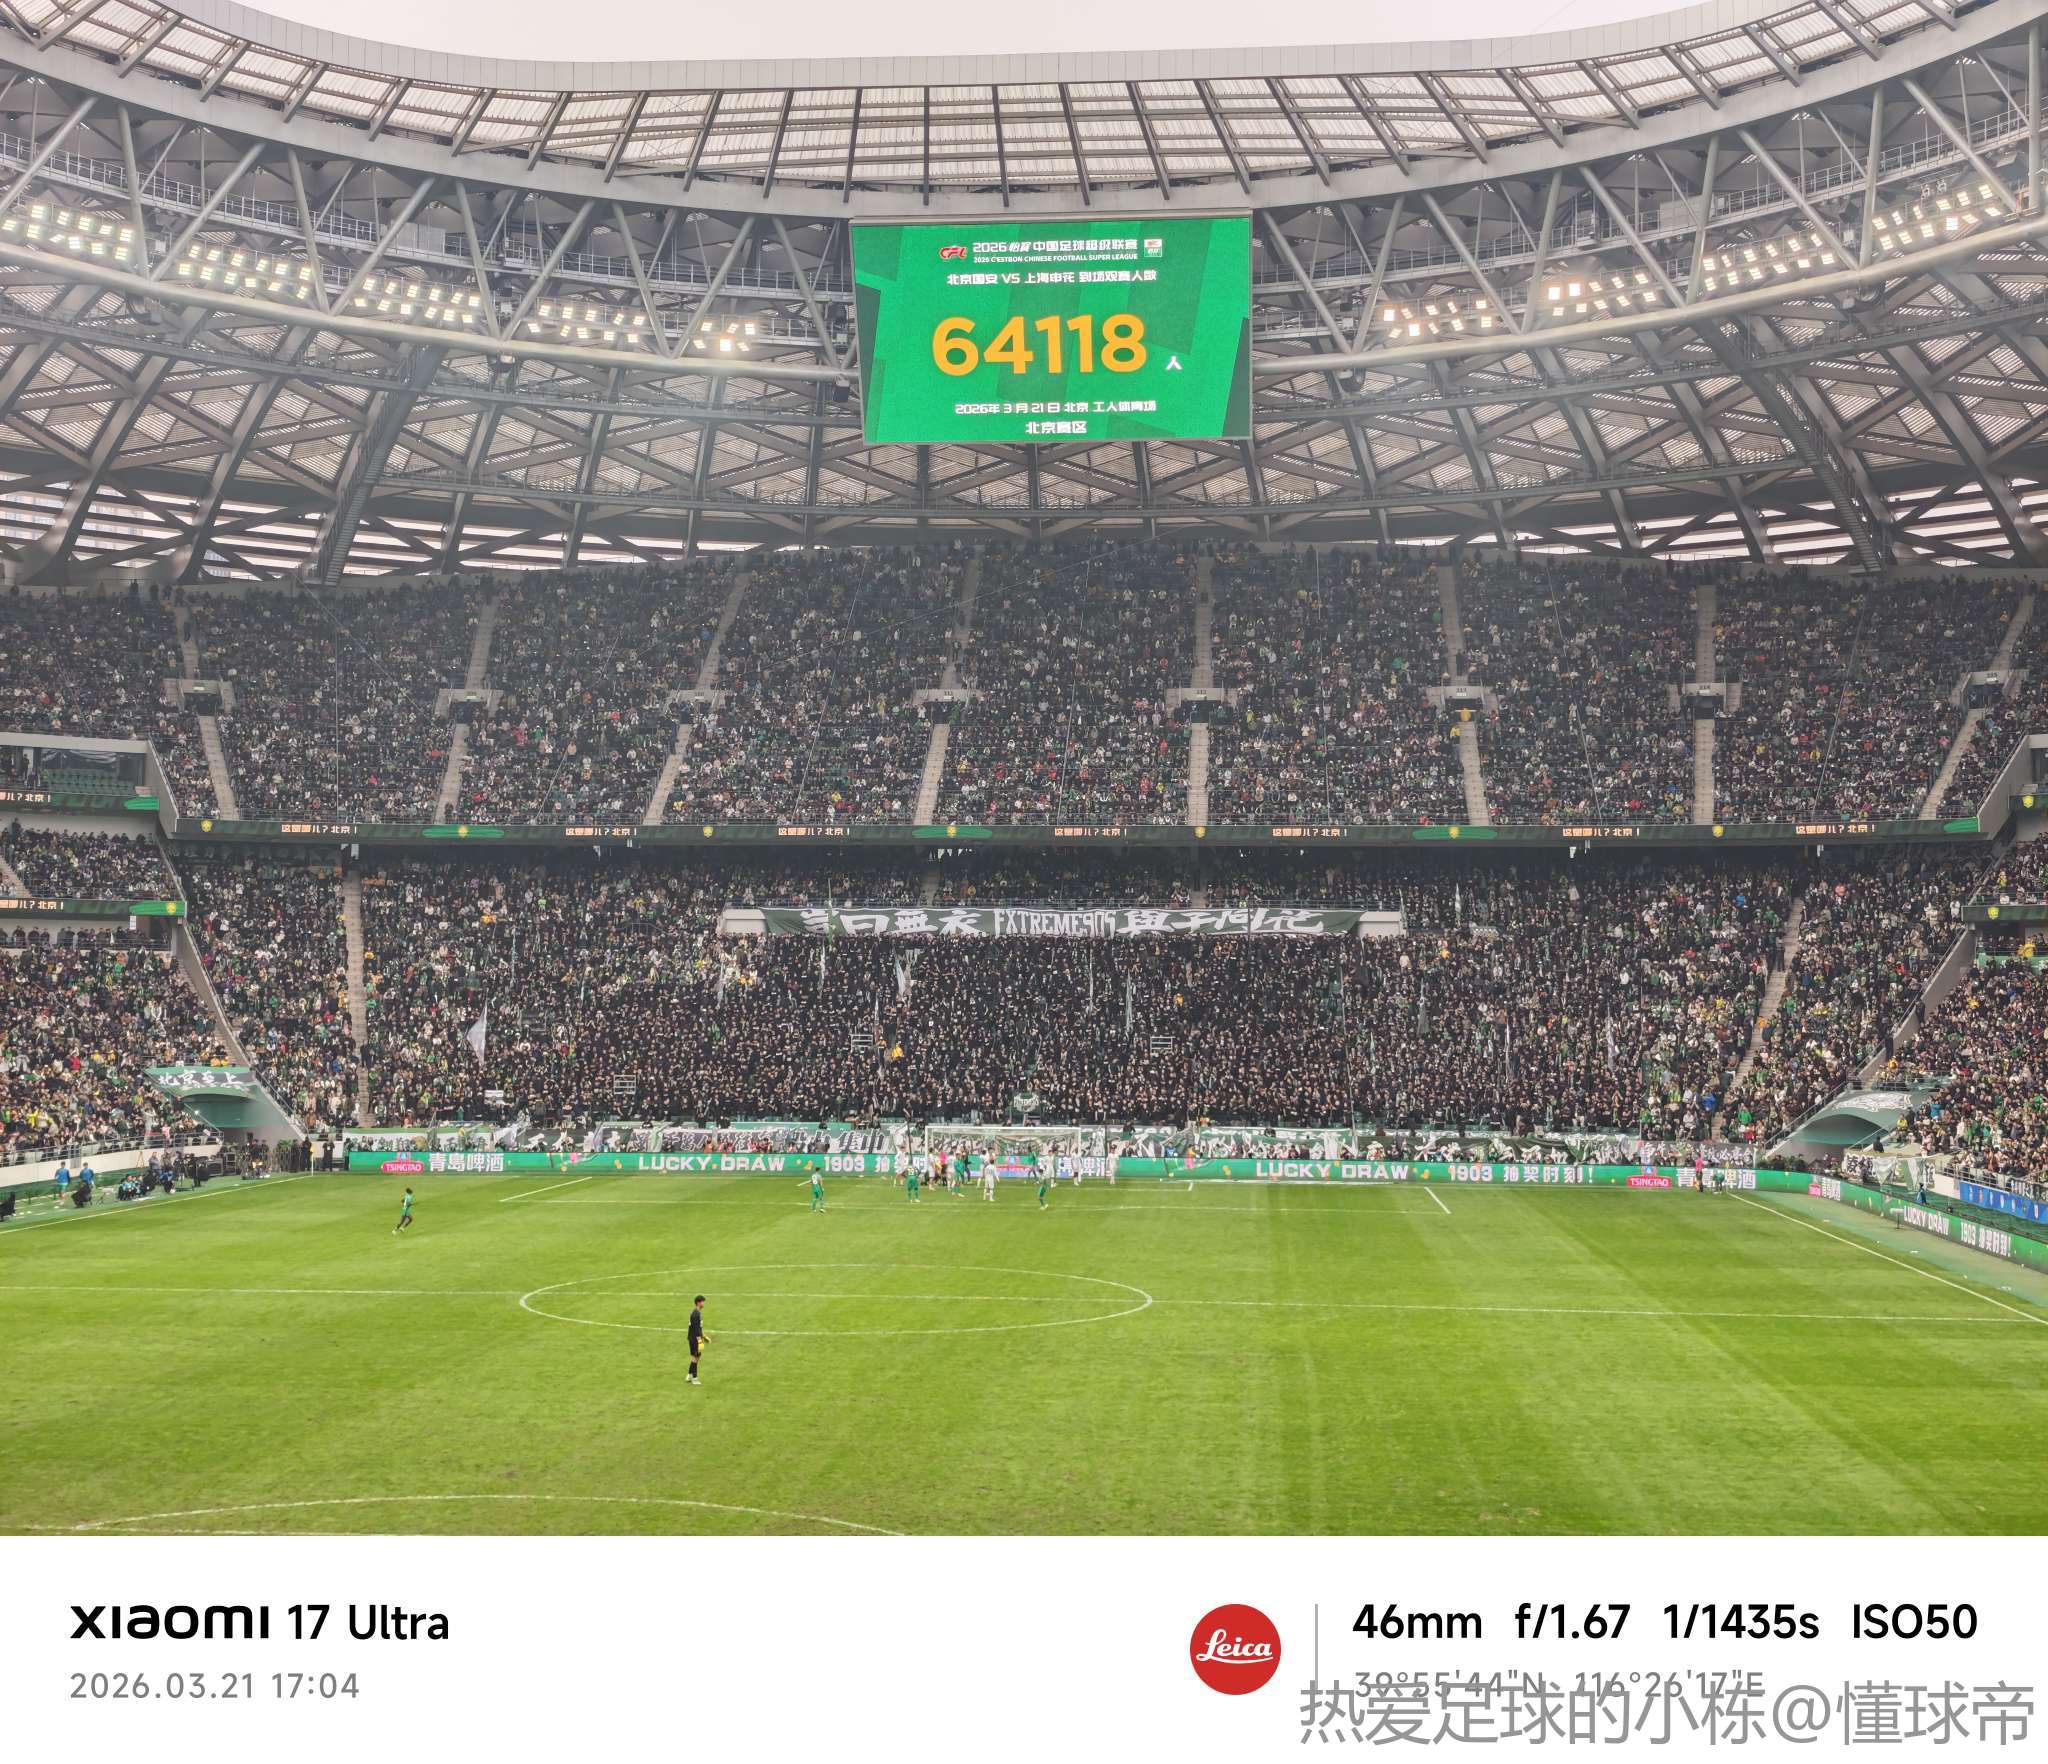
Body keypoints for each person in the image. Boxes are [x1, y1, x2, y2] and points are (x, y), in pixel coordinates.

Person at [687, 1295, 708, 1386]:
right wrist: (700, 1339)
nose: (704, 1303)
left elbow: (698, 1328)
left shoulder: (697, 1312)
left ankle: (689, 1375)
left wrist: (704, 1337)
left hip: (697, 1338)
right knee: (695, 1357)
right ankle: (694, 1378)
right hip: (695, 1338)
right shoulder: (696, 1314)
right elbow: (695, 1330)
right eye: (703, 1302)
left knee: (698, 1356)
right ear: (698, 1303)